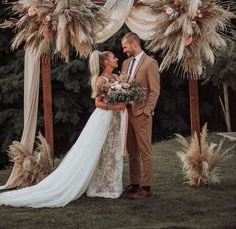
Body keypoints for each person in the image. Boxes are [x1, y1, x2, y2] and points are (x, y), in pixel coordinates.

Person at [0, 51, 126, 208]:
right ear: (106, 61)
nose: (117, 59)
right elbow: (98, 104)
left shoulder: (116, 78)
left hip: (114, 119)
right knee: (101, 152)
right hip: (103, 118)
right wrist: (115, 106)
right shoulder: (101, 80)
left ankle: (111, 185)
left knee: (112, 151)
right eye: (114, 57)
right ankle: (101, 188)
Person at [121, 32, 160, 200]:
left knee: (145, 151)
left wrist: (147, 110)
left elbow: (155, 90)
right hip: (126, 113)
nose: (124, 50)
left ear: (135, 43)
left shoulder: (150, 63)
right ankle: (135, 183)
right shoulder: (125, 63)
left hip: (141, 113)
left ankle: (147, 186)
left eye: (125, 47)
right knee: (131, 150)